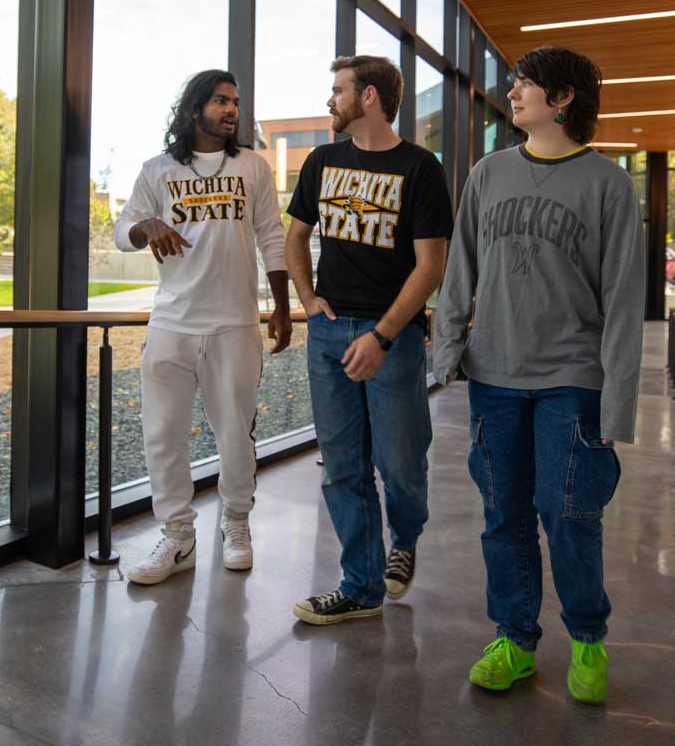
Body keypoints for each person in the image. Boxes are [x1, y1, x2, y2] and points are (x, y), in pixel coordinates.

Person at [433, 46, 646, 703]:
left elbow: (623, 303)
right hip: (494, 375)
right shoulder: (487, 175)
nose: (514, 93)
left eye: (527, 85)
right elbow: (460, 270)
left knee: (570, 512)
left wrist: (618, 409)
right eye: (516, 83)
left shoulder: (609, 184)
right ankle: (515, 639)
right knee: (503, 515)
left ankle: (587, 638)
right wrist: (444, 356)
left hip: (572, 377)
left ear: (563, 100)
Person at [285, 55, 452, 624]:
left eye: (338, 90)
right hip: (330, 335)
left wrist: (382, 335)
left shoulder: (421, 168)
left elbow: (430, 266)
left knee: (401, 462)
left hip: (393, 340)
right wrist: (309, 303)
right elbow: (295, 238)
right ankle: (360, 585)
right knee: (342, 468)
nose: (330, 101)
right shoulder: (322, 161)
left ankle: (405, 537)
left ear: (371, 97)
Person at [114, 69, 291, 585]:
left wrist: (281, 307)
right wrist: (145, 227)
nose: (231, 109)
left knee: (236, 434)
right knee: (162, 435)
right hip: (170, 320)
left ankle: (236, 522)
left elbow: (272, 239)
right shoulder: (158, 170)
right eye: (220, 101)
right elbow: (123, 228)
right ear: (195, 109)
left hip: (234, 323)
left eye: (235, 101)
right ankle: (177, 535)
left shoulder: (253, 168)